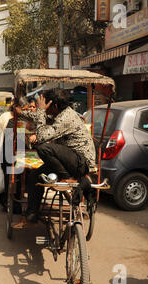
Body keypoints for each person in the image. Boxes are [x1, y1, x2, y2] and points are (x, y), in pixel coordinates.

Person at [14, 89, 96, 225]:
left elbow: (41, 137)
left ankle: (68, 177)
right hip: (68, 160)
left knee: (43, 148)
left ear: (55, 106)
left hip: (80, 161)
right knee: (35, 175)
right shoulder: (60, 114)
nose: (45, 109)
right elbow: (43, 118)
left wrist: (40, 110)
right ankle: (32, 214)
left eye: (46, 106)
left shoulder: (66, 117)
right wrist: (22, 113)